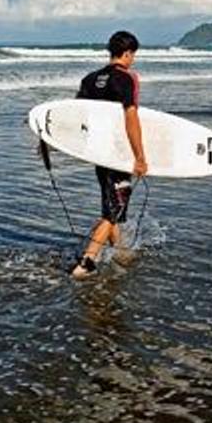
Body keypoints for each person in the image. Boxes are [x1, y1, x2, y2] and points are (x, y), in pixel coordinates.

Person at [70, 30, 148, 279]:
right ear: (127, 53)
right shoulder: (128, 78)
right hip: (118, 154)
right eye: (133, 55)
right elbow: (131, 117)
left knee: (113, 205)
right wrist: (140, 156)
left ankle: (121, 252)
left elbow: (73, 114)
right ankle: (87, 262)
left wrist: (48, 144)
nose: (133, 59)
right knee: (113, 211)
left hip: (98, 154)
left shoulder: (90, 79)